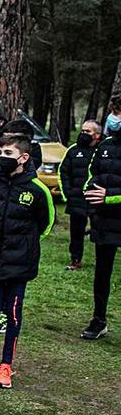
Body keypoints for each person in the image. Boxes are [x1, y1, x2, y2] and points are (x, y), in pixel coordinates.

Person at [0, 135, 54, 388]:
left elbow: (45, 225)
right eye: (1, 152)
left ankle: (6, 365)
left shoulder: (38, 190)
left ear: (24, 158)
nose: (3, 157)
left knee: (12, 313)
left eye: (9, 153)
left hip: (20, 265)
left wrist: (23, 244)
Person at [81, 96, 121, 340]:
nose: (115, 118)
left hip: (112, 209)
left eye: (119, 113)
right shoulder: (105, 145)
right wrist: (93, 193)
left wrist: (111, 197)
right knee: (102, 273)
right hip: (104, 221)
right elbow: (90, 176)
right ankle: (99, 319)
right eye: (114, 112)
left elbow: (109, 193)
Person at [59, 119, 101, 271]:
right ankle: (75, 259)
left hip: (96, 198)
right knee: (76, 232)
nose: (83, 134)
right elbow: (63, 172)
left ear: (97, 135)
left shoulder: (102, 150)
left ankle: (101, 260)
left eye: (87, 132)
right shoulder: (73, 150)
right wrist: (68, 193)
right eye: (82, 131)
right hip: (76, 199)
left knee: (99, 231)